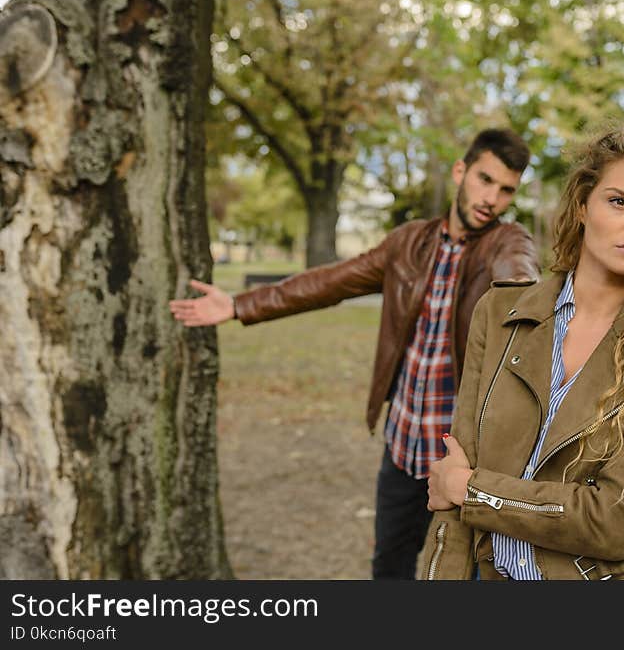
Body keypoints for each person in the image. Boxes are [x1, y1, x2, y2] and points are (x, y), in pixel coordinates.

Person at [169, 128, 540, 579]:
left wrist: (525, 300)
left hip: (465, 459)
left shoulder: (507, 242)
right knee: (389, 566)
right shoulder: (407, 242)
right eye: (485, 180)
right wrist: (238, 305)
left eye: (506, 191)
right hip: (403, 447)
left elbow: (519, 281)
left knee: (471, 575)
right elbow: (331, 281)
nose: (492, 198)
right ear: (461, 171)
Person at [422, 120, 624, 580]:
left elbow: (614, 521)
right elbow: (452, 488)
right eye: (620, 201)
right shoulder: (500, 313)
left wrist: (475, 493)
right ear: (583, 206)